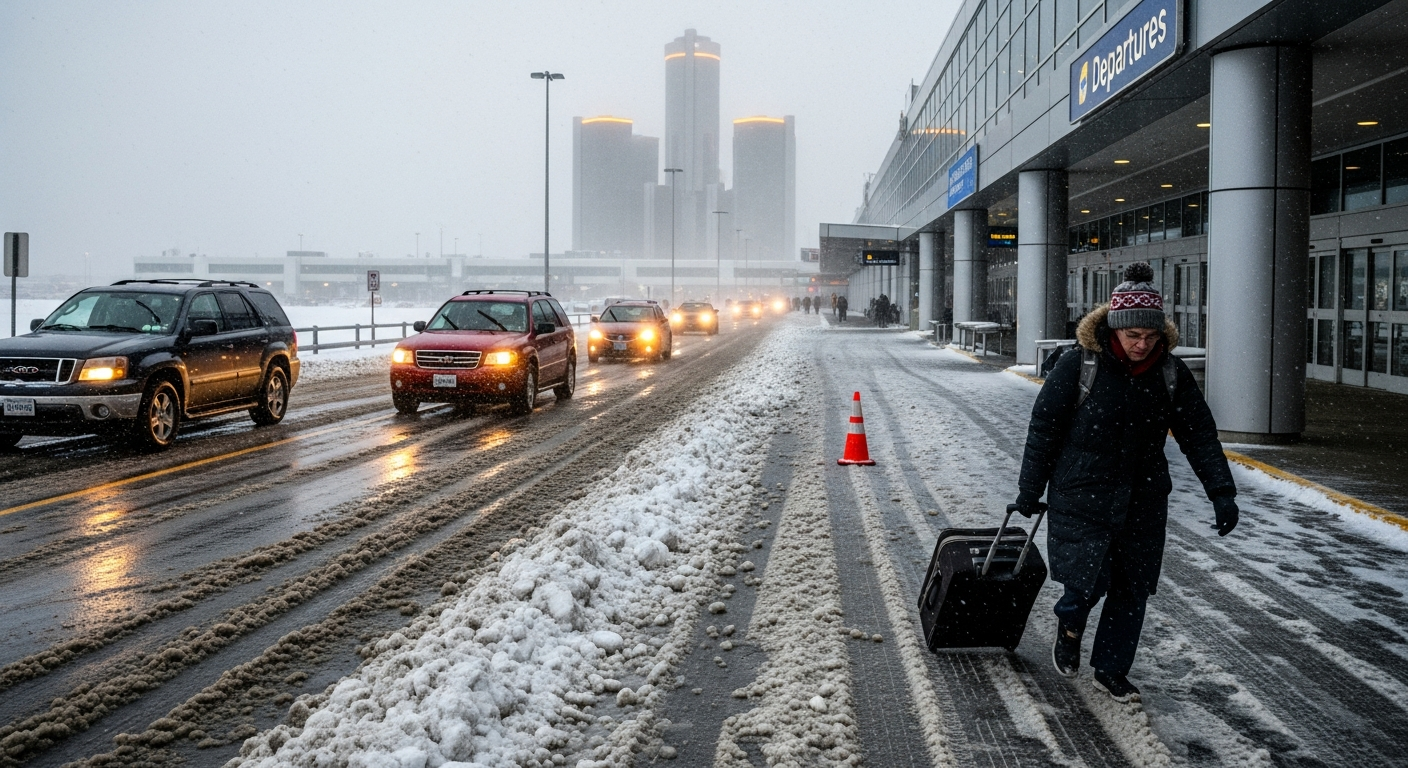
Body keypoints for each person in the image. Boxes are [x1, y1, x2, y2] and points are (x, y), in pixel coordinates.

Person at [1013, 262, 1238, 703]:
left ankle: (1112, 670)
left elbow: (1198, 434)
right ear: (1114, 328)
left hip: (1144, 495)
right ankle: (1070, 624)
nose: (1142, 344)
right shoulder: (1080, 366)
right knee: (1086, 579)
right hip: (1081, 490)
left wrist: (1222, 493)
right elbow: (1044, 428)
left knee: (1133, 587)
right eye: (1133, 336)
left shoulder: (1170, 374)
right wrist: (1029, 490)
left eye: (1151, 337)